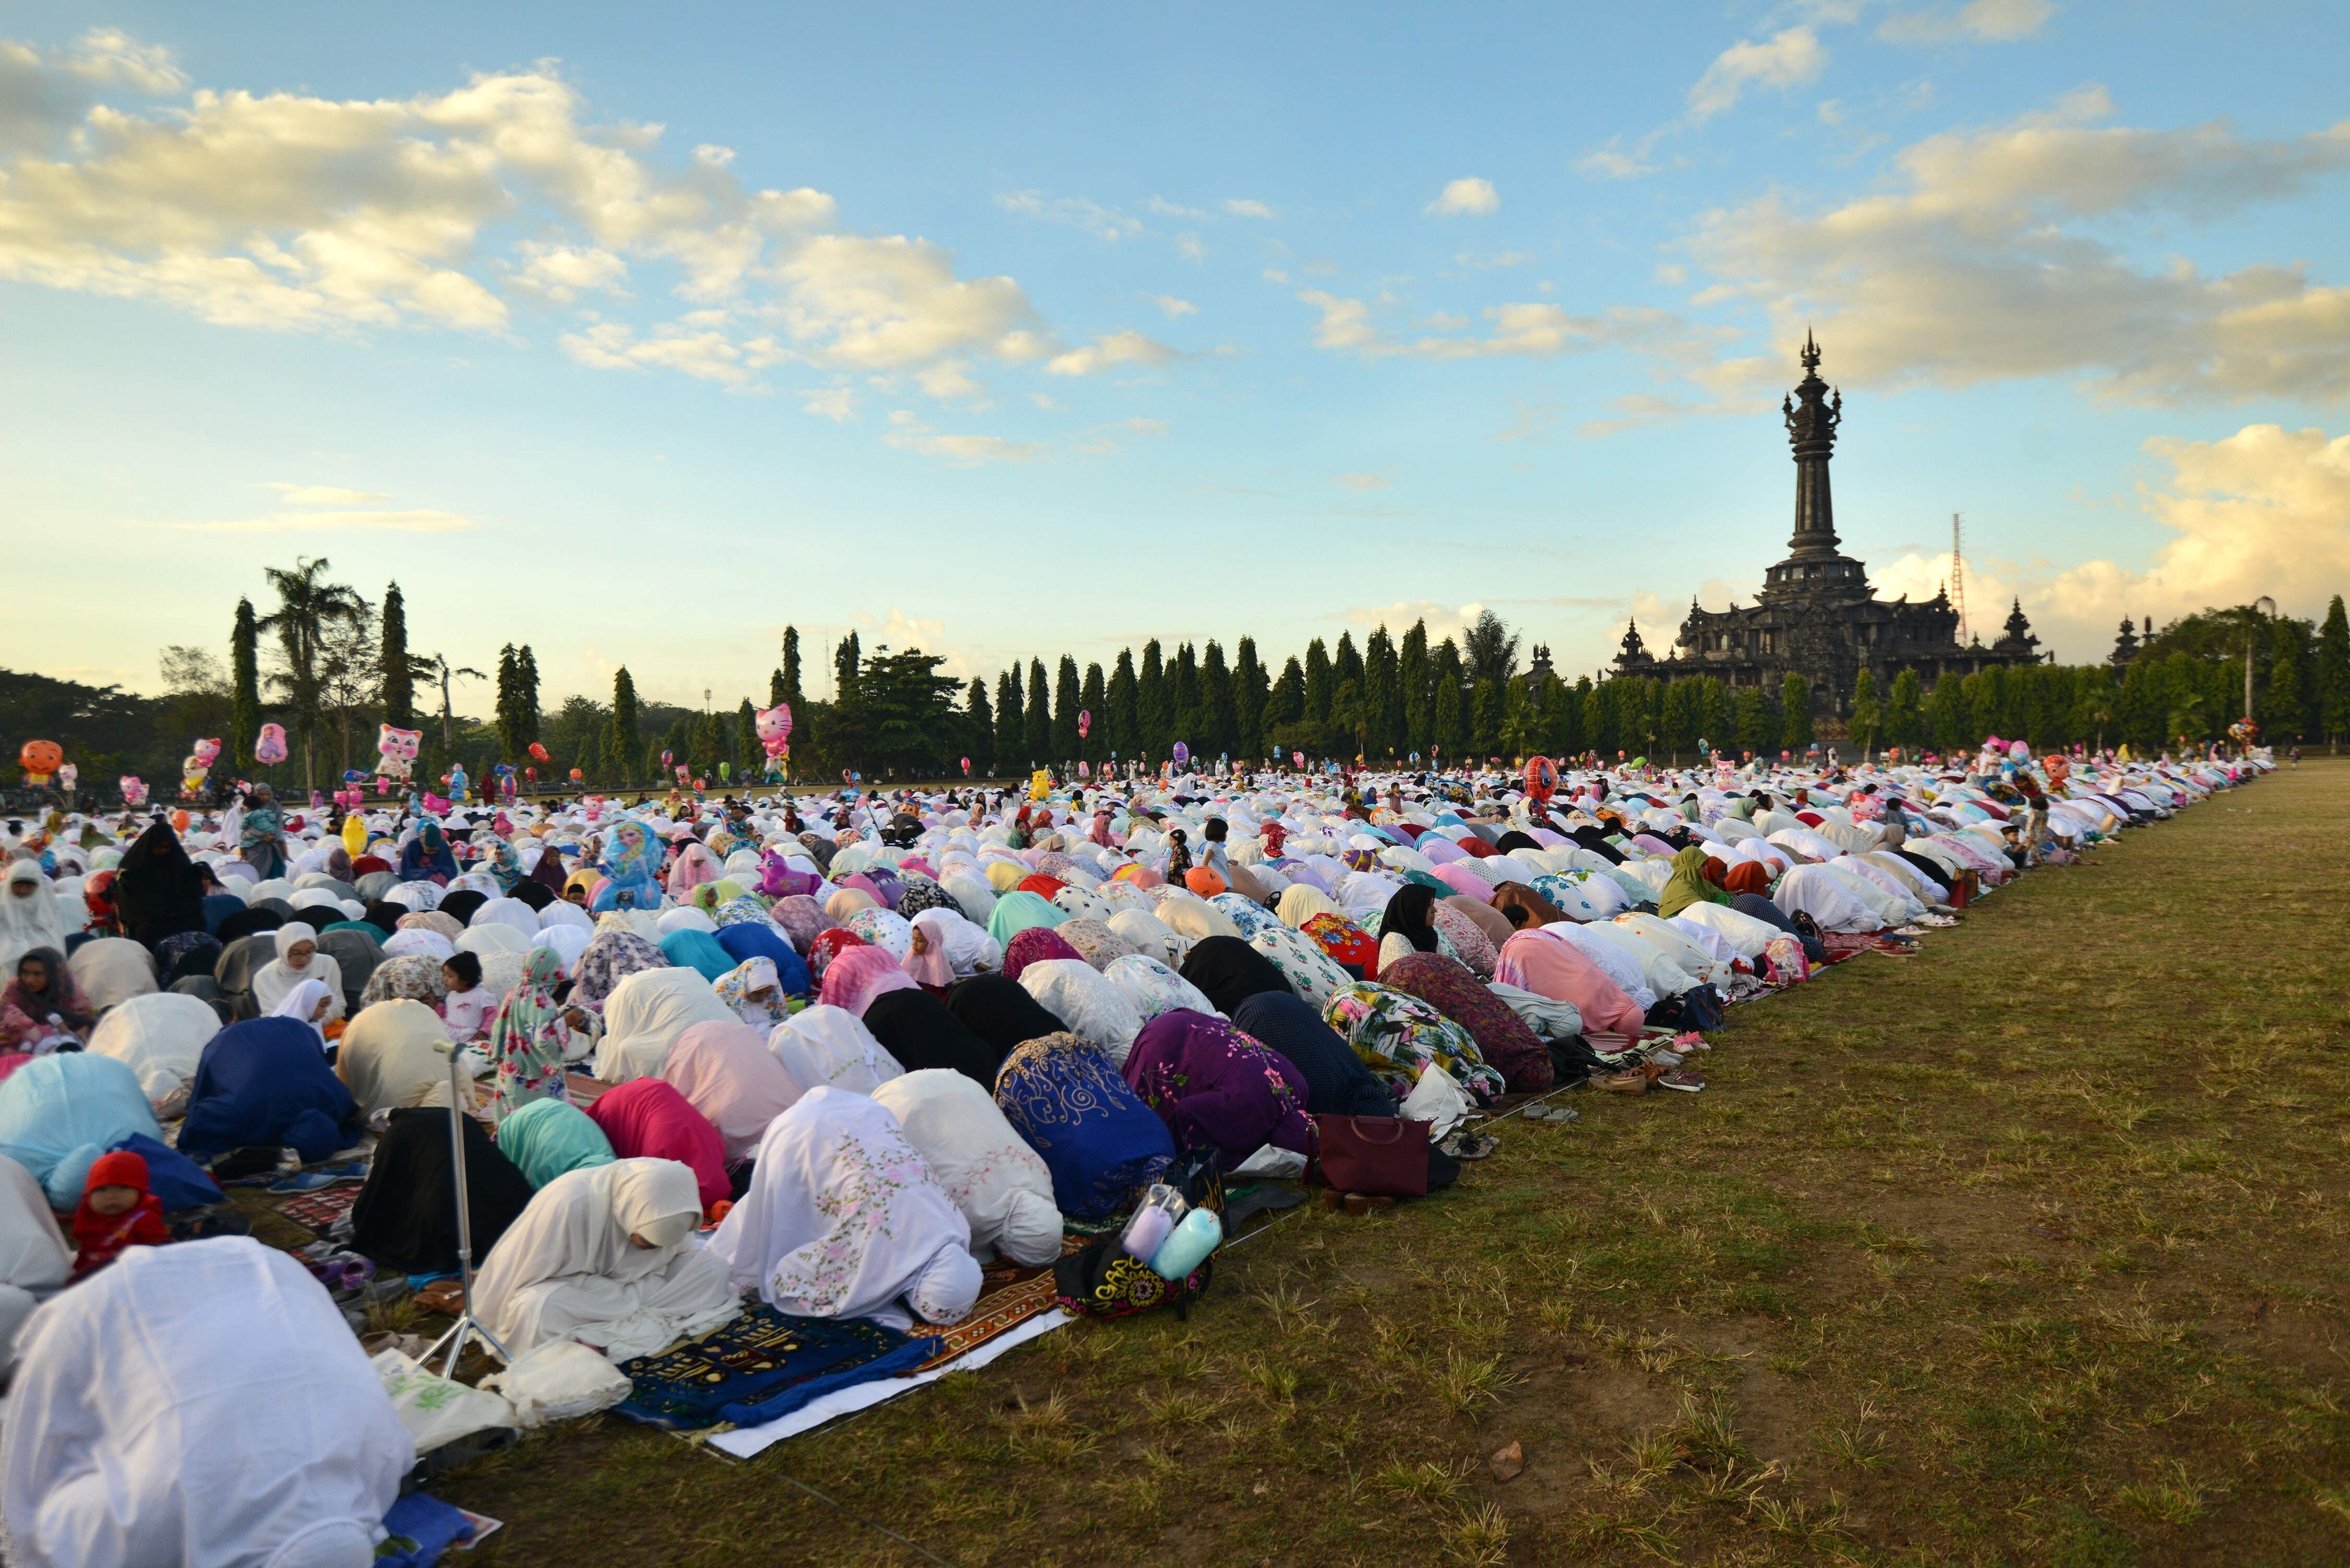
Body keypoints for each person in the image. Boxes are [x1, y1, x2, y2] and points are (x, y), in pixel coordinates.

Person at [1, 1237, 412, 1568]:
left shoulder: (382, 1452)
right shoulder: (155, 1512)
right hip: (150, 1294)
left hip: (251, 1268)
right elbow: (39, 1517)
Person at [710, 1088, 980, 1329]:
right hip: (804, 1131)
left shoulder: (954, 1226)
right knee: (790, 1211)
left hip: (862, 1113)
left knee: (792, 1201)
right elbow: (843, 1280)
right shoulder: (881, 1252)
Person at [469, 1158, 741, 1362]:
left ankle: (607, 1336)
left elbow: (678, 1259)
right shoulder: (570, 1203)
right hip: (588, 1298)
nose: (648, 1251)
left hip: (646, 1291)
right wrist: (611, 1296)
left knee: (711, 1267)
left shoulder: (675, 1203)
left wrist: (638, 1287)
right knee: (538, 1307)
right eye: (643, 1242)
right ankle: (639, 1328)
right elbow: (523, 1278)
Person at [486, 948, 594, 1120]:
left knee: (515, 1117)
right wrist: (567, 1020)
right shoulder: (541, 1001)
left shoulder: (517, 992)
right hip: (534, 1076)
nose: (558, 983)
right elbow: (544, 1040)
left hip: (514, 1069)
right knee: (541, 1118)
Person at [67, 1150, 169, 1278]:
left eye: (123, 1188)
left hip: (134, 1276)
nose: (111, 1196)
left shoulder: (144, 1219)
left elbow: (158, 1255)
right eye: (101, 1190)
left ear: (140, 1190)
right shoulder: (89, 1216)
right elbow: (86, 1250)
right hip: (95, 1276)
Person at [110, 819, 205, 952]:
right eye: (159, 847)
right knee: (149, 928)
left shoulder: (177, 861)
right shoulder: (133, 866)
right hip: (148, 916)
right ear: (150, 845)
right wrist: (157, 911)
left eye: (167, 847)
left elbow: (189, 891)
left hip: (177, 913)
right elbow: (131, 898)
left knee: (196, 920)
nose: (163, 851)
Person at [0, 949, 95, 1056]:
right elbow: (5, 1014)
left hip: (65, 1042)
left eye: (38, 974)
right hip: (25, 1042)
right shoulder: (16, 988)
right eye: (25, 972)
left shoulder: (68, 988)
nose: (29, 980)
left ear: (53, 973)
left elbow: (87, 1018)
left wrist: (84, 1028)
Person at [249, 923, 345, 1025]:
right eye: (296, 953)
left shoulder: (327, 964)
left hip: (329, 1030)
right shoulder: (264, 978)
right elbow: (275, 1021)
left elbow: (340, 1005)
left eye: (309, 952)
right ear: (283, 951)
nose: (304, 959)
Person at [0, 863, 66, 975]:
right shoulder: (3, 899)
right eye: (19, 885)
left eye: (29, 886)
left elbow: (52, 931)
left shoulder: (45, 899)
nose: (23, 890)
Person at [439, 951, 496, 1042]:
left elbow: (493, 1016)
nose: (445, 979)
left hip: (470, 1037)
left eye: (450, 976)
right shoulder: (451, 995)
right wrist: (436, 1007)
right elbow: (449, 1013)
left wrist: (485, 1031)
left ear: (465, 979)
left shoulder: (482, 996)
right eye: (445, 975)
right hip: (448, 1032)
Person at [236, 785, 287, 880]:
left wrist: (273, 836)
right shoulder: (266, 812)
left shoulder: (275, 808)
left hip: (271, 845)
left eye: (268, 795)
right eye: (262, 795)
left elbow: (279, 828)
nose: (265, 797)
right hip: (257, 847)